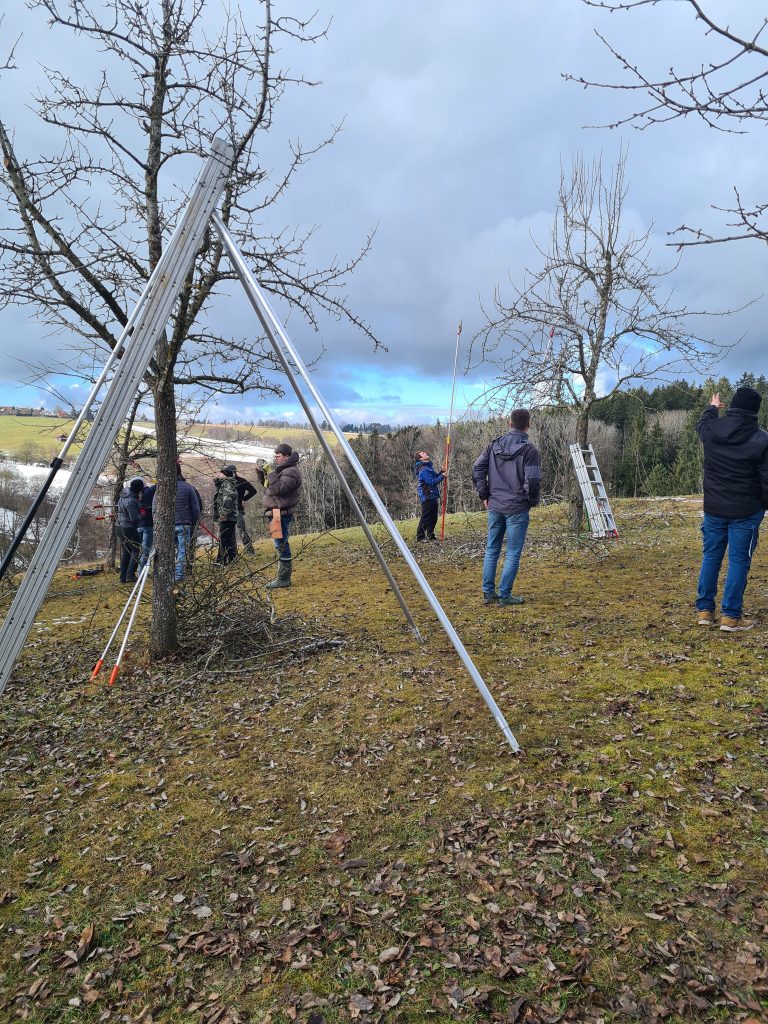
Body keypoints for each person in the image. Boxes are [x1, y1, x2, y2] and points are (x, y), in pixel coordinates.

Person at [695, 387, 768, 631]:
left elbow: (702, 423)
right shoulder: (762, 439)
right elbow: (766, 479)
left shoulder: (712, 429)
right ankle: (730, 616)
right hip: (746, 511)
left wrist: (712, 407)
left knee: (711, 557)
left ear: (733, 405)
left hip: (714, 508)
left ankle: (705, 611)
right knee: (738, 562)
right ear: (755, 410)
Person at [472, 409, 541, 606]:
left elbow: (477, 469)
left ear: (510, 424)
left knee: (492, 548)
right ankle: (504, 595)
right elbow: (533, 480)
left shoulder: (493, 446)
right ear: (528, 425)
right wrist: (531, 501)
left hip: (495, 505)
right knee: (512, 552)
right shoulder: (530, 451)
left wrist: (484, 494)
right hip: (517, 507)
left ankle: (488, 593)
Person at [262, 443, 302, 589]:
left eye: (278, 456)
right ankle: (282, 577)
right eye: (275, 456)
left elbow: (278, 489)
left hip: (280, 513)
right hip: (276, 512)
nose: (276, 458)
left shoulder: (291, 472)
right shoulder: (284, 470)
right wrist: (262, 473)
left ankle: (284, 578)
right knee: (279, 543)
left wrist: (271, 473)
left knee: (281, 544)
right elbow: (268, 487)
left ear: (287, 456)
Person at [153, 467, 201, 581]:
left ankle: (166, 573)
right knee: (182, 550)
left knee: (167, 550)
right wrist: (195, 522)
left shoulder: (161, 488)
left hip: (166, 525)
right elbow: (196, 508)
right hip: (184, 523)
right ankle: (179, 575)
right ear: (180, 473)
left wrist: (156, 522)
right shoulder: (189, 488)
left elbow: (154, 508)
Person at [223, 463, 258, 555]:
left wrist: (244, 499)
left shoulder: (242, 481)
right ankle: (232, 552)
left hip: (238, 510)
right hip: (227, 511)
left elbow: (253, 491)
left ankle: (250, 551)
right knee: (229, 531)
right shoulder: (225, 482)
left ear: (234, 472)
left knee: (241, 530)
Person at [116, 477, 143, 583]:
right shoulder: (131, 500)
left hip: (119, 526)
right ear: (139, 490)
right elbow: (134, 519)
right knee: (136, 550)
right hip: (128, 528)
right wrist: (142, 513)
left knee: (126, 552)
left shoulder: (124, 494)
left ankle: (123, 577)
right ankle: (130, 575)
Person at [414, 451, 446, 542]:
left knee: (433, 517)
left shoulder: (428, 467)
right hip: (427, 495)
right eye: (422, 453)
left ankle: (430, 536)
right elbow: (432, 482)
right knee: (426, 517)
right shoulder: (423, 469)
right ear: (421, 458)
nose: (425, 453)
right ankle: (420, 537)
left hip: (433, 495)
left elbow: (435, 477)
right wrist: (443, 476)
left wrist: (442, 471)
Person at [213, 467, 239, 565]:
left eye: (220, 473)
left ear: (225, 474)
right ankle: (229, 559)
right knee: (228, 539)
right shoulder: (225, 483)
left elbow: (228, 498)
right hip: (230, 516)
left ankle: (224, 561)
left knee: (224, 539)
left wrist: (223, 513)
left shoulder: (227, 483)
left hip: (227, 517)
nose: (218, 474)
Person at [137, 479, 156, 573]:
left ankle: (137, 571)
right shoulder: (149, 491)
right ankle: (141, 571)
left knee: (138, 550)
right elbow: (159, 485)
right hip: (147, 524)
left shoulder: (134, 495)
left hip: (138, 525)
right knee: (146, 550)